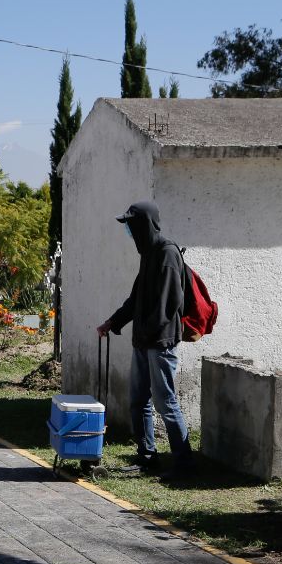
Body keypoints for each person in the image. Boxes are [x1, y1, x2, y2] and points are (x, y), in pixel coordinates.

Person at [96, 201, 196, 479]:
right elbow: (135, 299)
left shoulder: (167, 254)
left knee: (165, 402)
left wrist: (148, 333)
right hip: (143, 342)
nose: (129, 231)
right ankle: (147, 457)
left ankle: (184, 463)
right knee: (138, 401)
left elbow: (169, 304)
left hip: (161, 343)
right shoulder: (149, 254)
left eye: (131, 225)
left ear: (145, 225)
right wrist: (112, 322)